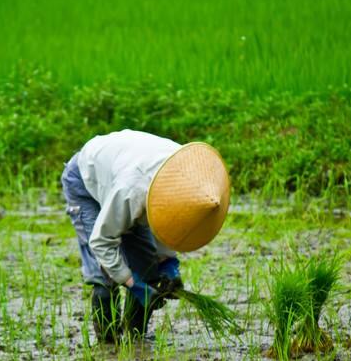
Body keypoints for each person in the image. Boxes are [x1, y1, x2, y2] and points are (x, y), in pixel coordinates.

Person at [61, 129, 230, 343]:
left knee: (147, 268)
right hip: (86, 180)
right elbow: (101, 242)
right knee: (104, 276)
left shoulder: (188, 176)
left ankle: (136, 338)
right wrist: (132, 283)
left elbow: (170, 220)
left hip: (125, 172)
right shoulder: (132, 192)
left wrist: (168, 263)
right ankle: (109, 344)